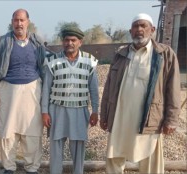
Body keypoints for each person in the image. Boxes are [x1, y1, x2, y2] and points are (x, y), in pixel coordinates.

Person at [100, 13, 181, 173]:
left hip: (149, 117)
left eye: (143, 26)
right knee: (114, 155)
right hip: (120, 117)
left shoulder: (164, 54)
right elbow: (108, 88)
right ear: (130, 31)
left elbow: (173, 89)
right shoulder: (121, 54)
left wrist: (171, 119)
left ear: (152, 29)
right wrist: (104, 115)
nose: (139, 30)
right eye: (136, 26)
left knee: (149, 158)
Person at [0, 9, 46, 174]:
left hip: (32, 91)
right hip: (8, 91)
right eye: (16, 20)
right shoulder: (4, 42)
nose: (19, 24)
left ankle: (32, 168)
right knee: (8, 131)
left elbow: (44, 68)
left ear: (28, 21)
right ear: (12, 22)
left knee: (32, 131)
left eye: (22, 20)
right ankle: (9, 167)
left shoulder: (37, 42)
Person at [41, 26, 99, 173]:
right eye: (66, 40)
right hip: (57, 109)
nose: (70, 43)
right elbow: (46, 89)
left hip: (80, 110)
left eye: (73, 40)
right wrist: (44, 112)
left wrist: (95, 111)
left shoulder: (89, 61)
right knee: (56, 146)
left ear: (80, 42)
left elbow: (93, 90)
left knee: (79, 146)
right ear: (63, 42)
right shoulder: (52, 61)